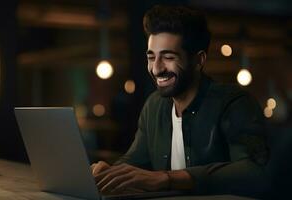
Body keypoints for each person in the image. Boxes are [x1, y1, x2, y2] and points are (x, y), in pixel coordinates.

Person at [91, 5, 270, 198]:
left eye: (168, 57)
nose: (156, 69)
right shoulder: (154, 105)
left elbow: (255, 174)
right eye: (151, 57)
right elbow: (135, 160)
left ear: (199, 60)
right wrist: (108, 173)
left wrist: (169, 178)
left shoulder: (234, 103)